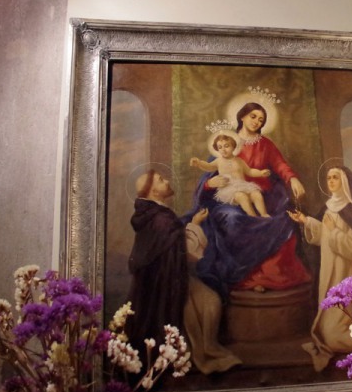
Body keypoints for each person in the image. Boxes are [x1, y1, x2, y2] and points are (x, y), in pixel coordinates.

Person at [188, 102, 311, 297]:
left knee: (282, 220)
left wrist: (293, 179)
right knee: (234, 220)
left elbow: (280, 165)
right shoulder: (226, 141)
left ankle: (265, 277)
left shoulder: (266, 144)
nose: (256, 122)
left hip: (263, 195)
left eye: (261, 119)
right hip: (230, 199)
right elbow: (209, 173)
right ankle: (245, 278)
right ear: (242, 116)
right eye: (253, 116)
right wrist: (210, 183)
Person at [125, 169, 241, 374]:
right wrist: (195, 224)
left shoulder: (155, 214)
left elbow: (173, 246)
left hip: (171, 275)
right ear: (154, 191)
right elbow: (183, 250)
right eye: (161, 180)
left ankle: (208, 347)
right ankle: (203, 352)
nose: (167, 181)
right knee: (210, 302)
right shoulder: (160, 219)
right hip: (167, 284)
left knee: (211, 301)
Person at [288, 166, 352, 371]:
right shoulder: (328, 208)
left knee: (332, 335)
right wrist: (306, 221)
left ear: (344, 181)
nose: (331, 181)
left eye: (335, 177)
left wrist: (333, 231)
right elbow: (324, 237)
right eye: (328, 178)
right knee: (326, 331)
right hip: (331, 274)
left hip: (348, 276)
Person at [190, 133, 271, 217]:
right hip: (228, 189)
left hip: (243, 186)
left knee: (256, 194)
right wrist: (199, 163)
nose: (223, 150)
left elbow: (249, 171)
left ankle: (264, 214)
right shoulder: (219, 161)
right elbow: (208, 166)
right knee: (242, 196)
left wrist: (261, 173)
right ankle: (253, 216)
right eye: (220, 147)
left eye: (226, 146)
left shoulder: (239, 161)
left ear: (233, 146)